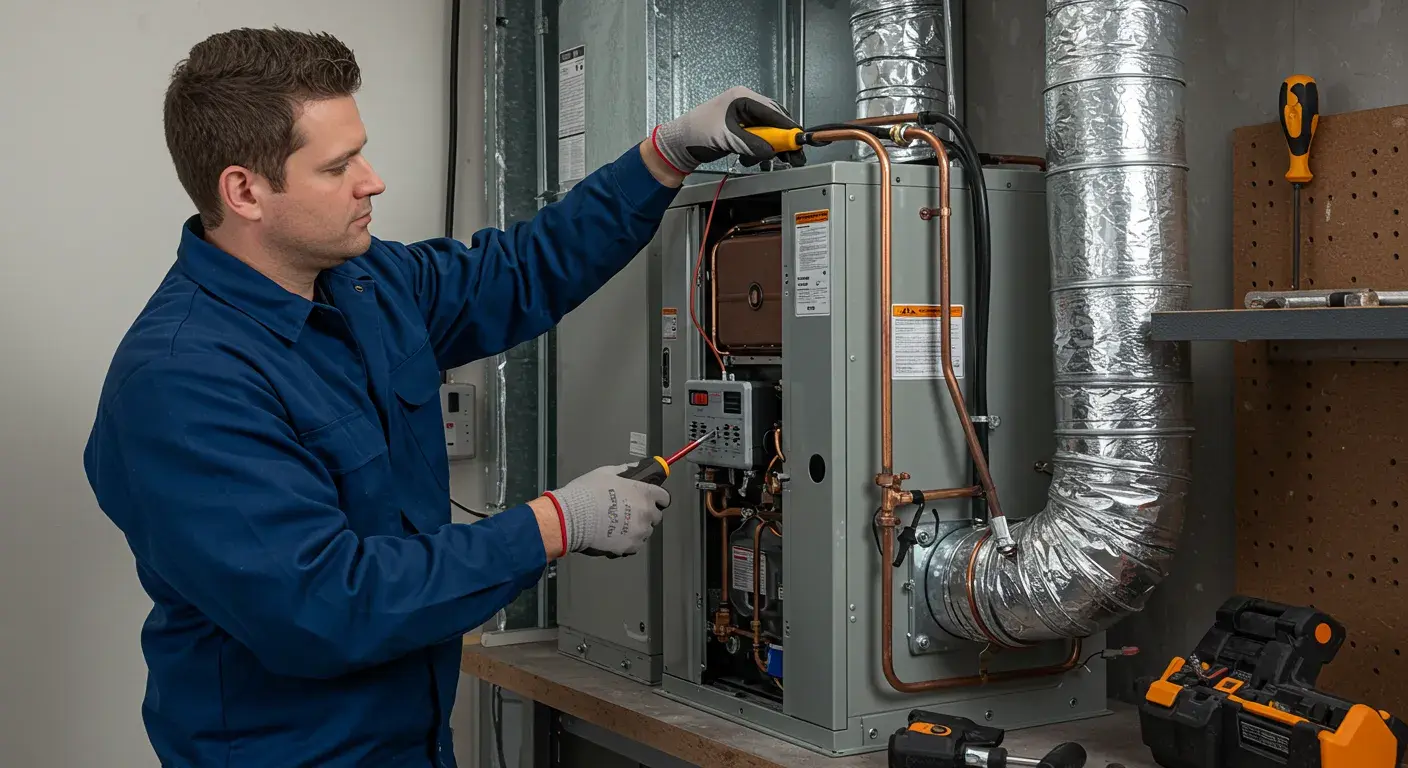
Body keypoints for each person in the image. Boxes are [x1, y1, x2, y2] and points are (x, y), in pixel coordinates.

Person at [83, 27, 802, 767]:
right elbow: (326, 605)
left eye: (360, 150)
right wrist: (553, 525)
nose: (372, 180)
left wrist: (664, 157)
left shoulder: (366, 283)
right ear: (244, 191)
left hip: (413, 743)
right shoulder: (183, 383)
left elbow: (524, 269)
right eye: (337, 167)